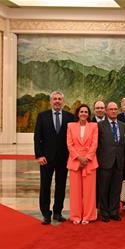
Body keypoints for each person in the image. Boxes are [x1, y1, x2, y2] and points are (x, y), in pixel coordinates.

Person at [34, 91, 75, 225]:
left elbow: (72, 139)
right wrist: (39, 155)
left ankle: (58, 212)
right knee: (45, 186)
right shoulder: (42, 116)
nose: (57, 101)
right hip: (46, 158)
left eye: (59, 99)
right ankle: (46, 214)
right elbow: (37, 138)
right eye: (55, 99)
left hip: (63, 158)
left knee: (61, 186)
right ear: (51, 101)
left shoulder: (70, 117)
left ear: (63, 101)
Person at [96, 102, 125, 222]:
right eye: (111, 109)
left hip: (119, 162)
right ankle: (104, 212)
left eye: (115, 109)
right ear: (106, 111)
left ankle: (114, 211)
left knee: (116, 188)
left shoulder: (123, 126)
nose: (114, 111)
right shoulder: (99, 125)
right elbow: (96, 145)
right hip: (104, 162)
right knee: (104, 188)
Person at [66, 104, 98, 224]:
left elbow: (95, 144)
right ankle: (76, 216)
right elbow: (69, 144)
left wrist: (87, 158)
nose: (83, 113)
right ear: (78, 114)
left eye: (86, 112)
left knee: (89, 192)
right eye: (81, 111)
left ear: (89, 114)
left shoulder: (94, 126)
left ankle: (88, 216)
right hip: (75, 161)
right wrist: (79, 157)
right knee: (75, 192)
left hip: (90, 162)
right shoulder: (70, 126)